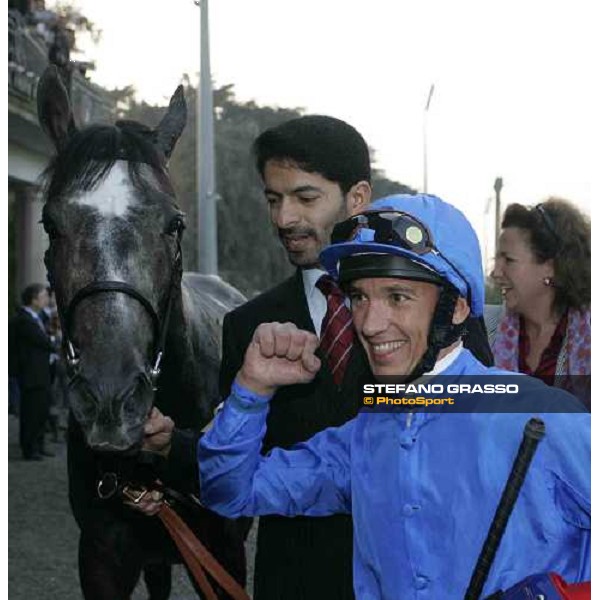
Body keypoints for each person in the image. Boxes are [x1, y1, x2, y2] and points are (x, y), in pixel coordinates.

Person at [141, 116, 495, 599]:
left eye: (305, 198)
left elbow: (474, 435)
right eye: (273, 199)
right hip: (294, 579)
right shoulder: (248, 325)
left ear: (356, 198)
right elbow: (239, 470)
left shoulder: (448, 315)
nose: (284, 218)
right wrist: (172, 450)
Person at [197, 194, 590, 599]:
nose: (369, 323)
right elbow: (230, 492)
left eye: (397, 297)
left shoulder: (544, 417)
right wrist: (252, 390)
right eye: (359, 297)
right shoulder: (365, 432)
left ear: (455, 308)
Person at [491, 198, 590, 406]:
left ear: (550, 268)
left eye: (508, 260)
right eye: (496, 261)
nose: (495, 273)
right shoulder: (490, 333)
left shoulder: (588, 337)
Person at [14, 283, 56, 460]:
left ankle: (38, 445)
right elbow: (44, 342)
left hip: (41, 374)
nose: (47, 299)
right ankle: (30, 449)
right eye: (44, 296)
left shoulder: (36, 318)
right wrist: (53, 340)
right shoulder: (24, 319)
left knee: (41, 411)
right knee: (31, 413)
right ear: (33, 299)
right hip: (32, 375)